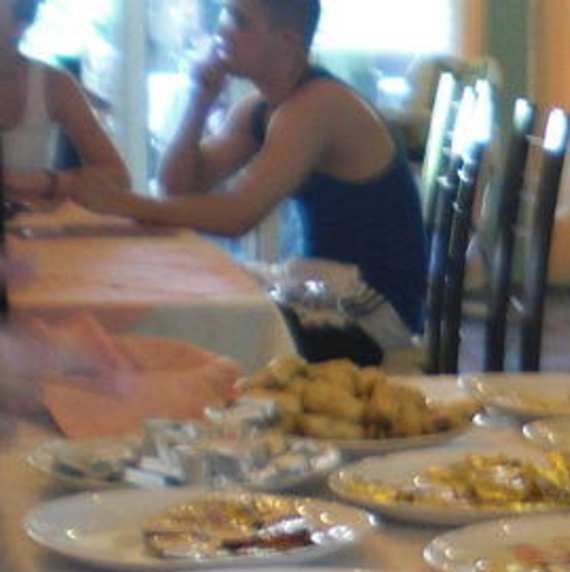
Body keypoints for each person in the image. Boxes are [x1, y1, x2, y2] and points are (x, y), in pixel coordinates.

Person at [73, 0, 428, 351]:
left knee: (187, 327)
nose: (222, 28)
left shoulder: (318, 105)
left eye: (239, 20)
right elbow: (177, 187)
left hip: (373, 314)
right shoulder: (262, 107)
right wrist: (200, 99)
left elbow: (238, 215)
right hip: (322, 288)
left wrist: (121, 203)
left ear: (286, 42)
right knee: (179, 301)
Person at [2, 0, 130, 206]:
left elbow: (118, 178)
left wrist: (42, 182)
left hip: (30, 221)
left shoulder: (53, 84)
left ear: (21, 23)